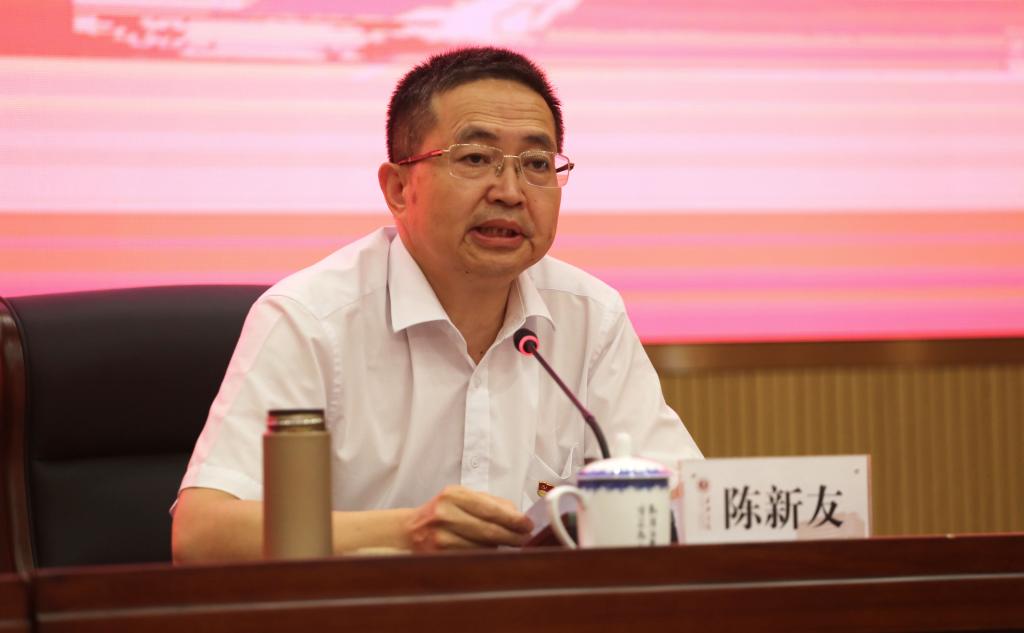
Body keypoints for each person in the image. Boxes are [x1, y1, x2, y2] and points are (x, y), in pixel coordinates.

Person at [171, 46, 702, 562]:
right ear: (399, 188)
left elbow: (688, 503)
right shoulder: (310, 320)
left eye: (537, 163)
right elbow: (202, 534)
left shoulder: (589, 316)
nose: (510, 191)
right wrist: (405, 533)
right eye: (475, 158)